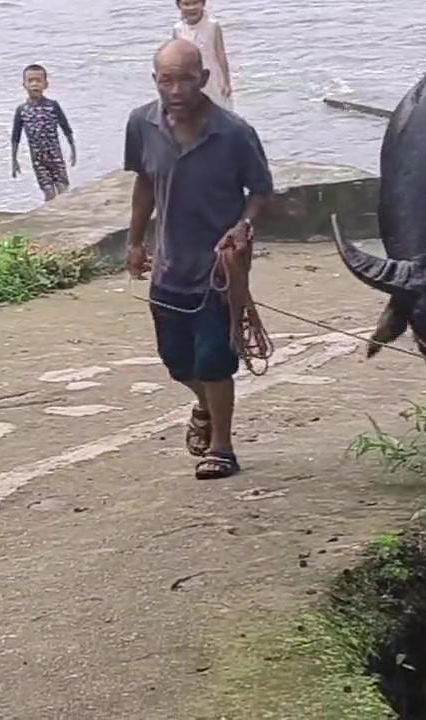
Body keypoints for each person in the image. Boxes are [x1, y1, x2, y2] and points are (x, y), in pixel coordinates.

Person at [124, 38, 273, 480]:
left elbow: (261, 192)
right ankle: (205, 406)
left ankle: (223, 448)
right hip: (169, 265)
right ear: (155, 81)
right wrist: (134, 242)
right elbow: (144, 184)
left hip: (219, 271)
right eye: (166, 80)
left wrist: (243, 225)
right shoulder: (141, 124)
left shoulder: (234, 132)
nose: (175, 89)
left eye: (186, 79)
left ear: (203, 80)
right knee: (177, 362)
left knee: (214, 360)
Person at [11, 64, 77, 201]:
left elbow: (66, 128)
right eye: (30, 81)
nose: (34, 84)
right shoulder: (22, 110)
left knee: (63, 188)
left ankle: (64, 214)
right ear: (24, 85)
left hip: (55, 156)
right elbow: (15, 136)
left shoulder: (53, 106)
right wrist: (14, 160)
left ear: (45, 84)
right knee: (48, 192)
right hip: (38, 159)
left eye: (38, 81)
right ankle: (51, 216)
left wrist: (73, 149)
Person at [171, 0, 234, 110]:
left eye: (195, 3)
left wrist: (226, 82)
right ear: (179, 6)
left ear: (203, 4)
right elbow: (176, 58)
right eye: (186, 4)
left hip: (213, 78)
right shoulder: (178, 29)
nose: (191, 7)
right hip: (190, 79)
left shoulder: (213, 25)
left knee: (219, 113)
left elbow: (221, 54)